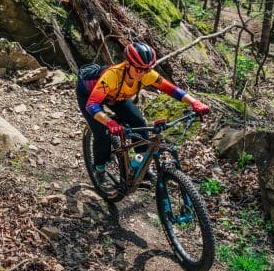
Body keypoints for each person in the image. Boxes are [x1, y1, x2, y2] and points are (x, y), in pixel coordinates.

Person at [76, 41, 210, 194]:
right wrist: (109, 122)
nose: (141, 73)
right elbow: (92, 105)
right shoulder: (112, 76)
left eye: (146, 69)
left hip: (117, 96)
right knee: (102, 132)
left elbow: (172, 90)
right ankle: (99, 170)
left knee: (139, 122)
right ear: (128, 64)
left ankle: (142, 168)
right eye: (138, 68)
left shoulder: (147, 74)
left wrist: (195, 102)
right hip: (89, 95)